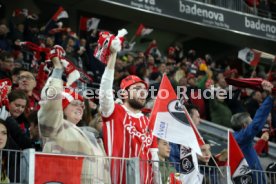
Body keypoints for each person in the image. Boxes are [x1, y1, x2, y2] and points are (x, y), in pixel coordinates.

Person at [38, 46, 110, 183]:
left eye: (82, 105)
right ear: (61, 107)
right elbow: (50, 102)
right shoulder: (55, 126)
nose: (80, 107)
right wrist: (58, 69)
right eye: (74, 103)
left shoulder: (92, 136)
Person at [99, 39, 158, 184]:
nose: (143, 93)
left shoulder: (148, 122)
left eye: (144, 90)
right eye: (137, 89)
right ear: (124, 94)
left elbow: (154, 158)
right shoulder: (114, 111)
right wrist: (113, 55)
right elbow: (105, 91)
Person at [231, 80, 274, 184]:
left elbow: (251, 153)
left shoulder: (241, 140)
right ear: (245, 126)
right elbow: (256, 125)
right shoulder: (240, 137)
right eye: (251, 121)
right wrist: (270, 98)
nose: (253, 123)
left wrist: (262, 141)